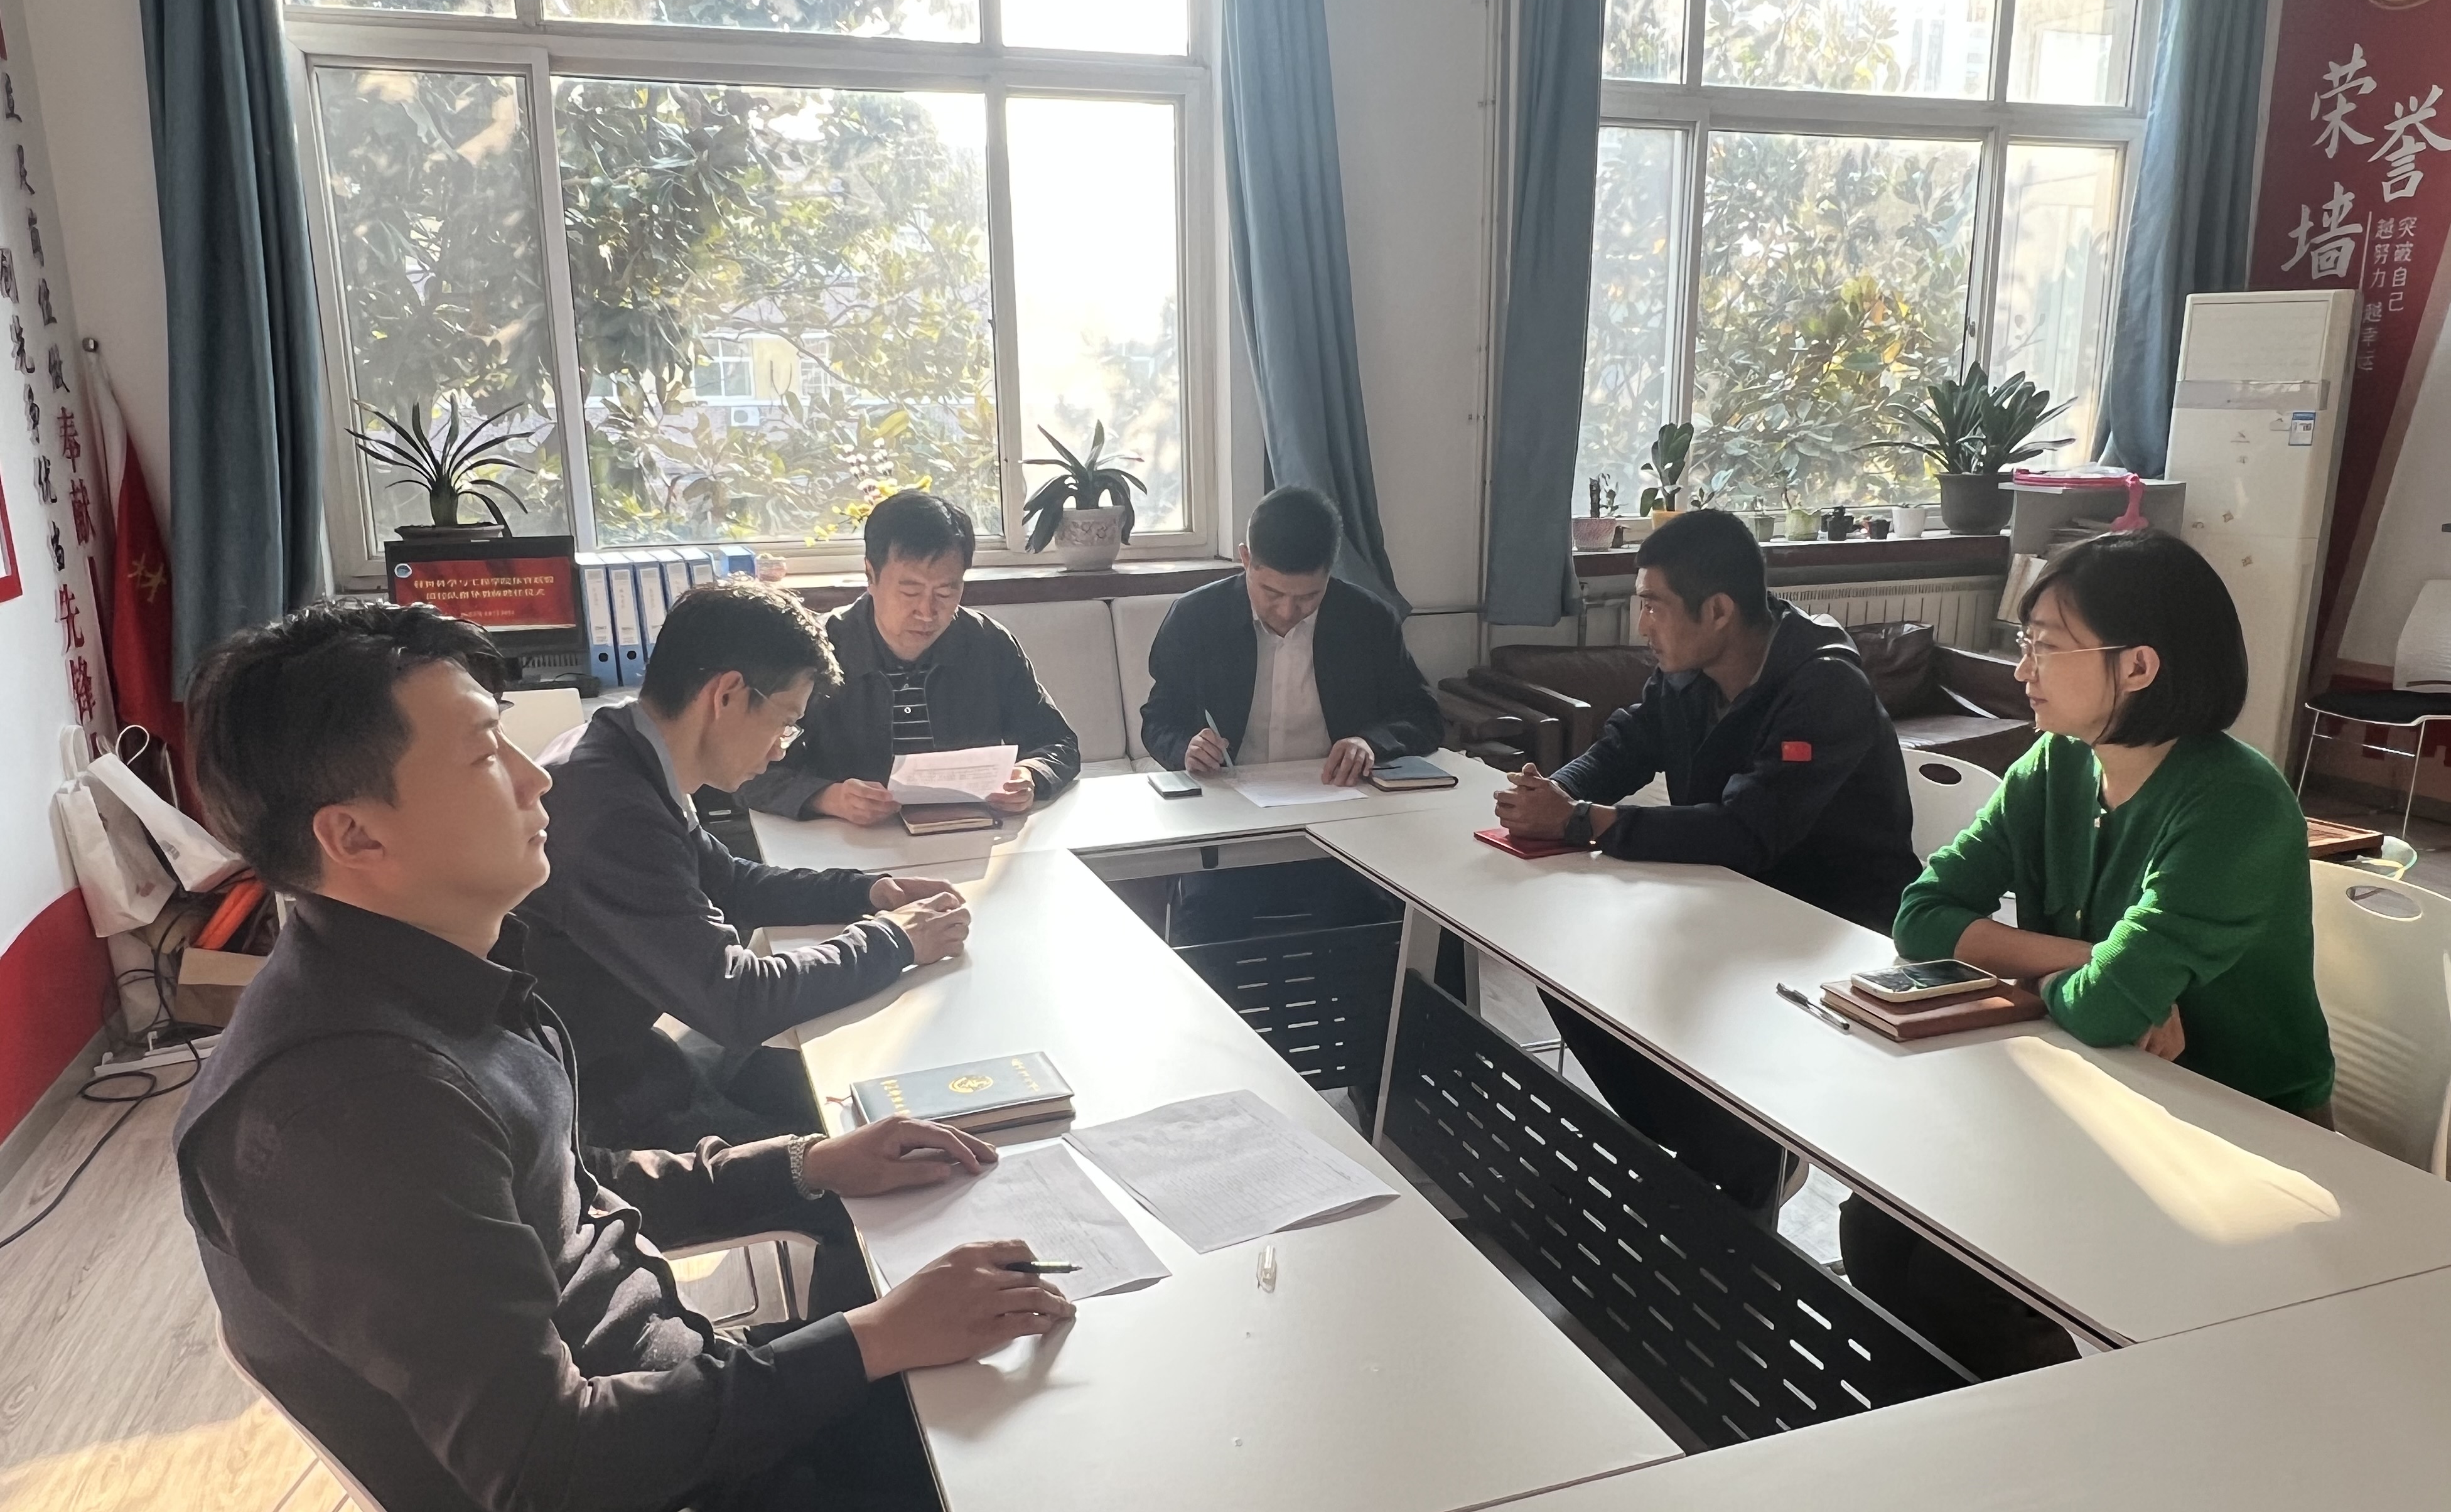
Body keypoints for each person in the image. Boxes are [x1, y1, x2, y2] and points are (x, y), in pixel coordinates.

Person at [175, 599, 1065, 1512]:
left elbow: (567, 1183)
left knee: (975, 1386)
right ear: (355, 836)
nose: (534, 778)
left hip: (676, 1443)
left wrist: (805, 1162)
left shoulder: (428, 984)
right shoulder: (344, 1108)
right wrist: (868, 1341)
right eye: (482, 757)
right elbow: (544, 1462)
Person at [1842, 528, 2337, 1377]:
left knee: (1959, 1286)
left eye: (2045, 647)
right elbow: (1921, 917)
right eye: (2024, 643)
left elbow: (2105, 1009)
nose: (2021, 670)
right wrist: (2086, 958)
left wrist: (2067, 977)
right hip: (2097, 1085)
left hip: (2234, 1124)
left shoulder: (2237, 805)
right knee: (1878, 1226)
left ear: (2138, 666)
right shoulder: (2056, 764)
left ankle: (2061, 1429)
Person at [1492, 508, 1917, 1220]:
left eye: (1652, 605)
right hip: (1728, 895)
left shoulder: (1824, 685)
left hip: (1830, 924)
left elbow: (1750, 831)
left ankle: (1745, 1157)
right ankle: (1717, 1149)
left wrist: (1579, 821)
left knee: (1654, 983)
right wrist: (1551, 793)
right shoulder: (1687, 677)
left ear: (1717, 611)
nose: (1642, 626)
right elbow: (1625, 749)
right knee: (1569, 972)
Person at [517, 576, 971, 1153]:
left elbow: (729, 882)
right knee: (870, 1147)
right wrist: (895, 941)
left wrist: (869, 891)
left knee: (847, 1091)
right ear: (727, 695)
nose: (782, 748)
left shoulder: (625, 751)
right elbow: (738, 1001)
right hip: (594, 1113)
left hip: (632, 1056)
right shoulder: (612, 811)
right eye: (784, 720)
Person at [737, 491, 1081, 825]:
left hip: (966, 834)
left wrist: (1030, 775)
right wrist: (828, 797)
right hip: (850, 843)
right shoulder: (817, 650)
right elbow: (747, 769)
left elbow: (1059, 743)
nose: (927, 612)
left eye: (946, 592)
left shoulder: (989, 644)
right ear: (871, 575)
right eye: (910, 591)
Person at [1141, 488, 1443, 785]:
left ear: (1330, 571)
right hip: (1228, 791)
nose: (1287, 612)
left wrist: (1370, 743)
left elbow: (1423, 716)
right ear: (1245, 558)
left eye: (1308, 596)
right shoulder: (1196, 617)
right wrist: (1186, 749)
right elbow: (1159, 719)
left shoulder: (1369, 620)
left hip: (1336, 790)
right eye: (1272, 592)